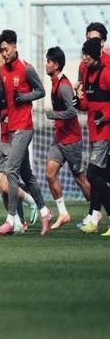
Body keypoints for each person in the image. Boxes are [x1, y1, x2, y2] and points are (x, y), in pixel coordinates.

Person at [0, 30, 51, 236]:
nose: (4, 53)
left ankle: (11, 219)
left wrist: (24, 97)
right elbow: (3, 104)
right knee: (27, 174)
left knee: (10, 171)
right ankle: (45, 211)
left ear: (14, 46)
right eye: (2, 50)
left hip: (24, 128)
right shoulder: (2, 72)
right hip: (11, 129)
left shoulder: (26, 69)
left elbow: (41, 91)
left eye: (6, 49)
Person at [0, 42, 37, 233]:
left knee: (11, 182)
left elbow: (14, 106)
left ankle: (32, 202)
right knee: (2, 186)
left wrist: (2, 116)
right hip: (4, 136)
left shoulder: (14, 75)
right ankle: (18, 222)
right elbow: (2, 109)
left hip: (16, 134)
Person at [44, 46, 91, 229]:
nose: (46, 64)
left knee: (80, 179)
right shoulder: (55, 82)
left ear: (56, 65)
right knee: (50, 174)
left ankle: (94, 213)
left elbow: (72, 112)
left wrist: (54, 115)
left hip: (72, 140)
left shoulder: (63, 86)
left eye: (49, 61)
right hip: (59, 139)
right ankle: (63, 213)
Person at [76, 38, 110, 236]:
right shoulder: (87, 73)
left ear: (95, 56)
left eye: (87, 55)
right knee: (100, 176)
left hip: (105, 133)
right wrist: (78, 102)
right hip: (93, 133)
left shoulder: (106, 74)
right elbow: (88, 104)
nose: (84, 58)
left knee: (92, 175)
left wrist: (105, 116)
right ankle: (94, 220)